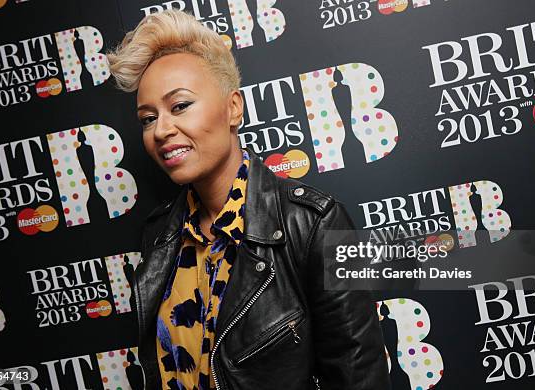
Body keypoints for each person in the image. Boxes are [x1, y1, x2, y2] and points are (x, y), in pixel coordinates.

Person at [107, 9, 390, 390]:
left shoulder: (316, 224)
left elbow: (359, 378)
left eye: (180, 106)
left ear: (233, 108)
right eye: (147, 118)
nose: (161, 130)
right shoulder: (160, 234)